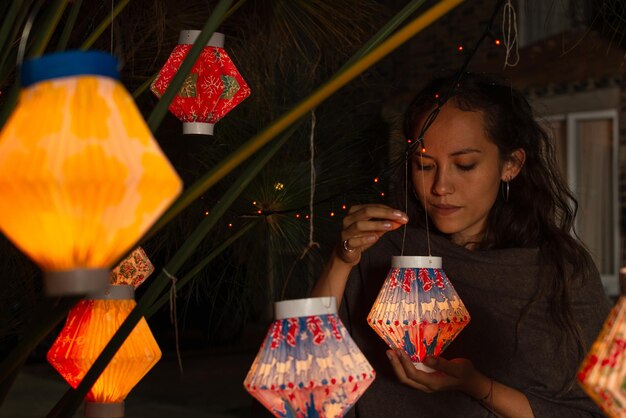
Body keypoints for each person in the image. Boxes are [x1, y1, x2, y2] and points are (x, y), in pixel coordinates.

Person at [311, 72, 612, 417]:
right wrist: (341, 260)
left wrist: (476, 386)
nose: (441, 186)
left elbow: (595, 411)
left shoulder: (561, 272)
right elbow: (311, 378)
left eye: (464, 165)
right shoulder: (386, 251)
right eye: (424, 165)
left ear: (510, 165)